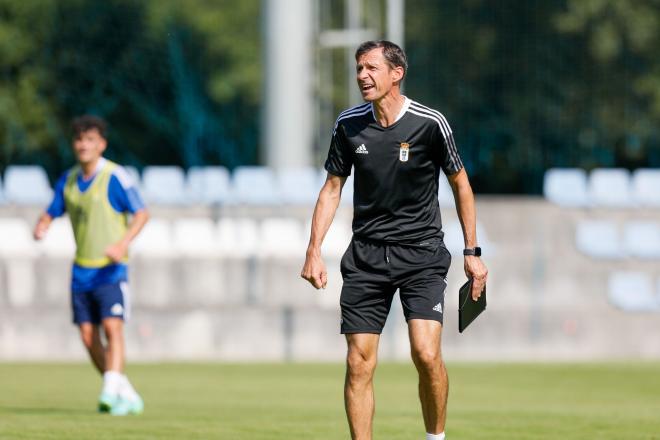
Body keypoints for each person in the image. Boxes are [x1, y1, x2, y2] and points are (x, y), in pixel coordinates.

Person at [301, 40, 488, 440]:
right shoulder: (348, 124)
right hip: (366, 258)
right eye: (358, 69)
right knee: (358, 362)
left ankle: (435, 438)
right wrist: (314, 249)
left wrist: (472, 252)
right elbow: (332, 187)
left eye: (371, 68)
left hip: (421, 255)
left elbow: (461, 184)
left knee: (425, 353)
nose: (362, 76)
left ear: (396, 74)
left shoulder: (429, 123)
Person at [33, 115, 149, 416]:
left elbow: (141, 214)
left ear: (102, 145)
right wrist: (42, 224)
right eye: (79, 140)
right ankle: (124, 390)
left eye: (90, 140)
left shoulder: (114, 177)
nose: (83, 145)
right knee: (87, 336)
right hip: (81, 271)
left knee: (113, 327)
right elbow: (52, 210)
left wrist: (122, 244)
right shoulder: (69, 180)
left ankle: (110, 390)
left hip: (111, 269)